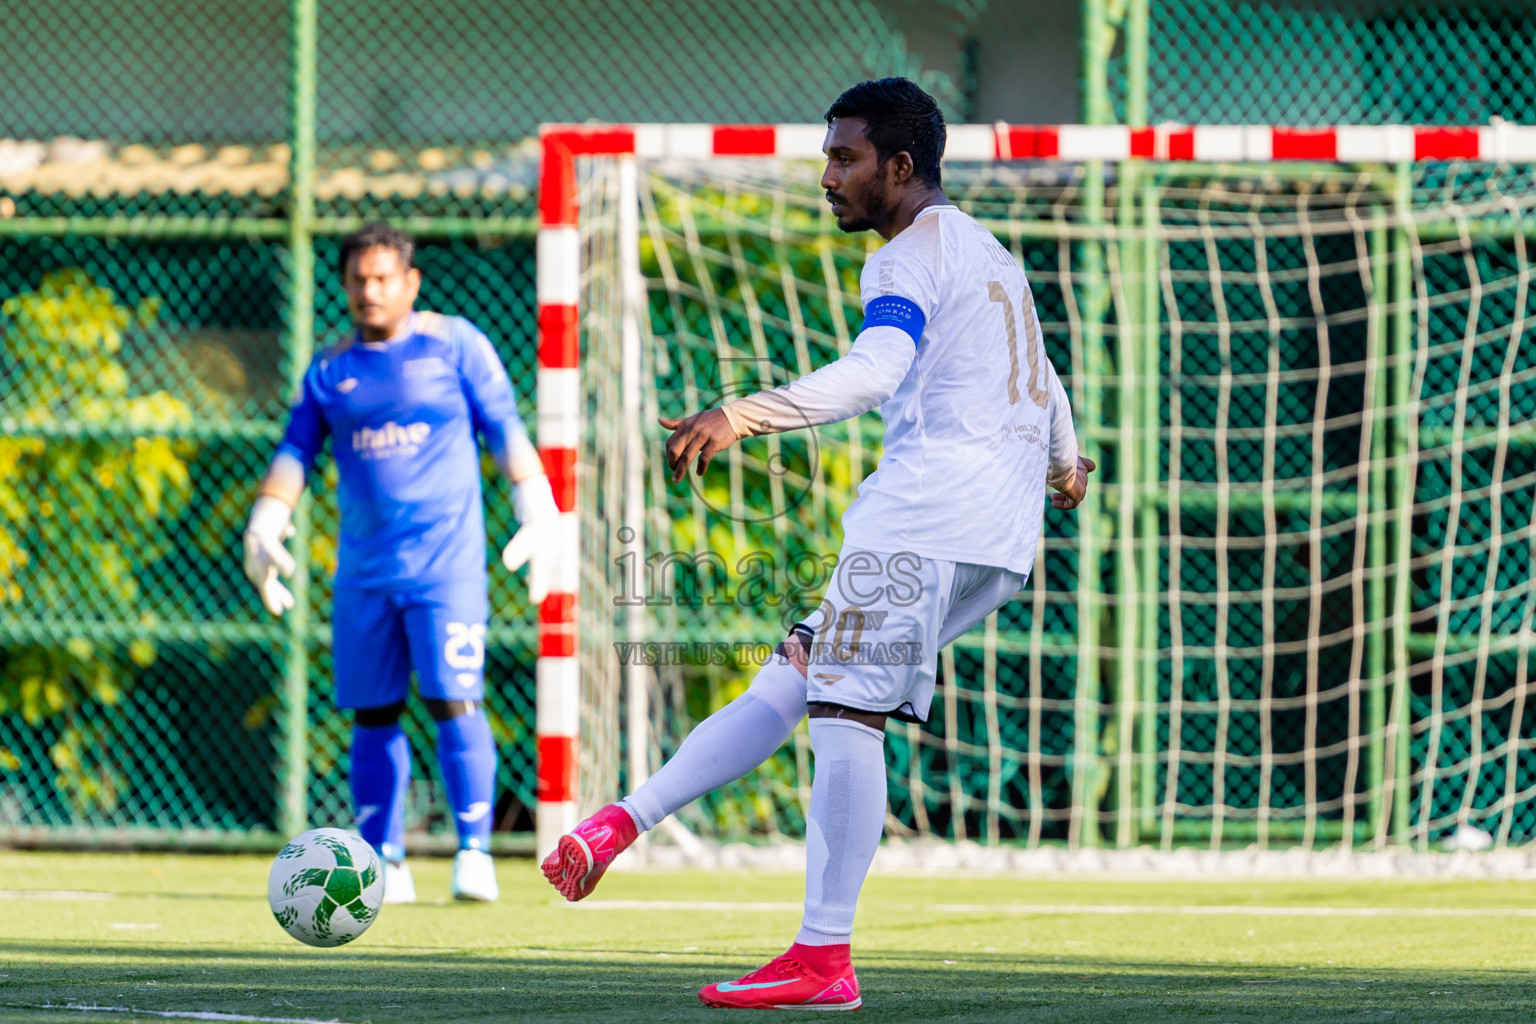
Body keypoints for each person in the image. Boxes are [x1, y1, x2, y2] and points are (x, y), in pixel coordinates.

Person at [539, 78, 1096, 1009]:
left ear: (901, 166)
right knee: (798, 672)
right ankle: (621, 824)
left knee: (843, 710)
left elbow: (876, 371)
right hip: (997, 542)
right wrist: (1066, 465)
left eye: (847, 158)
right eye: (828, 156)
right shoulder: (990, 253)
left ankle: (822, 956)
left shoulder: (905, 260)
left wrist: (742, 413)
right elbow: (1043, 378)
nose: (828, 176)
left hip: (923, 522)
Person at [242, 223, 558, 904]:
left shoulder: (457, 345)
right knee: (372, 714)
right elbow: (295, 452)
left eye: (383, 278)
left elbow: (504, 426)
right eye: (358, 280)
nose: (370, 291)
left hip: (447, 570)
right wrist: (266, 518)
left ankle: (474, 853)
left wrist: (538, 505)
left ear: (411, 282)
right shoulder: (329, 371)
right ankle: (382, 859)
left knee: (454, 698)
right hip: (363, 576)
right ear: (344, 287)